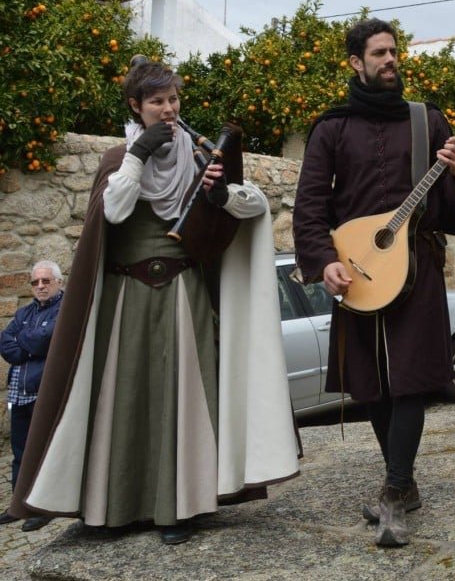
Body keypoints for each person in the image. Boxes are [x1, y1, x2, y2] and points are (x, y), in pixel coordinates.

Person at [5, 57, 299, 545]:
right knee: (122, 399)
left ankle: (178, 510)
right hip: (125, 299)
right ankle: (112, 510)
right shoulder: (118, 160)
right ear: (136, 106)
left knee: (180, 399)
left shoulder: (200, 158)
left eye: (173, 99)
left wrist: (221, 193)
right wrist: (138, 155)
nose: (168, 109)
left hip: (183, 293)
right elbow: (114, 211)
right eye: (157, 101)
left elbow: (256, 206)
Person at [292, 18, 455, 547]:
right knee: (372, 383)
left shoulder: (427, 120)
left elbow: (452, 206)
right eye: (379, 53)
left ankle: (395, 489)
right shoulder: (331, 128)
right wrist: (324, 259)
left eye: (394, 51)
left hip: (417, 267)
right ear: (355, 62)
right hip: (357, 270)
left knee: (412, 378)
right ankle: (405, 480)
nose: (391, 60)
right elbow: (310, 204)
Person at [0, 261, 64, 531]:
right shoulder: (24, 312)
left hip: (44, 391)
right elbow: (5, 343)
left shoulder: (64, 309)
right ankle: (20, 504)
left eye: (46, 281)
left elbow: (45, 339)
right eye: (35, 282)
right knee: (20, 452)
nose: (40, 286)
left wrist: (25, 341)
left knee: (44, 450)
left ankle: (45, 506)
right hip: (19, 393)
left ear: (58, 282)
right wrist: (31, 343)